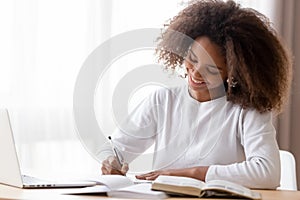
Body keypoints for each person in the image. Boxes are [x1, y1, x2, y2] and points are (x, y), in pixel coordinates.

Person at [99, 0, 292, 189]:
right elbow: (115, 149)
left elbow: (268, 173)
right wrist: (111, 162)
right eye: (192, 58)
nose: (196, 73)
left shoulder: (248, 110)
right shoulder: (163, 100)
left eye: (211, 68)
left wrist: (190, 174)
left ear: (233, 73)